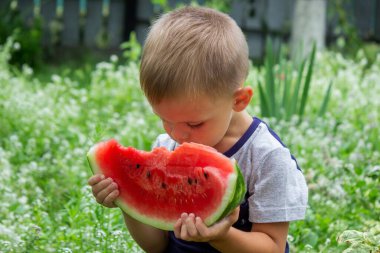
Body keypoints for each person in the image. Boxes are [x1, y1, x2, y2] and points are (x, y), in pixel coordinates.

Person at [88, 6, 308, 253]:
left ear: (239, 100)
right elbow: (156, 245)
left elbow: (273, 248)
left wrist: (219, 236)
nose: (177, 135)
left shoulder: (267, 157)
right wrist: (126, 199)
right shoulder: (166, 144)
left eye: (193, 124)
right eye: (164, 119)